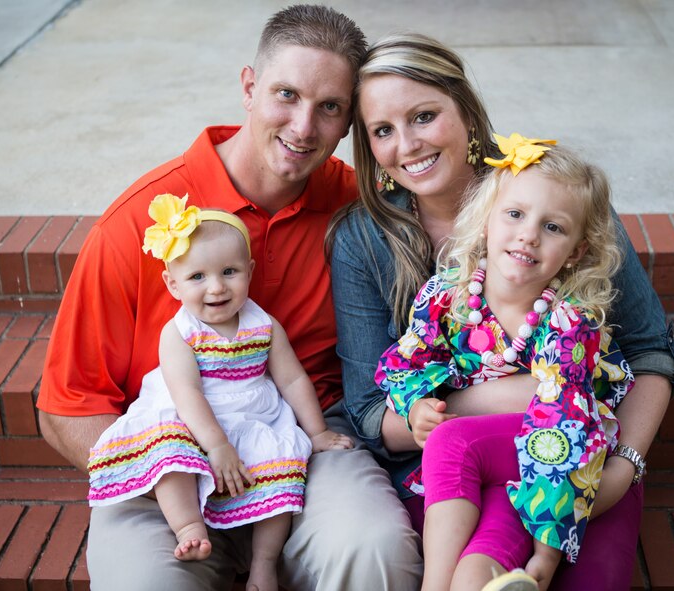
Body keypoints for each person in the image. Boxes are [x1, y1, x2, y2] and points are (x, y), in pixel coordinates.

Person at [37, 6, 423, 590]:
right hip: (169, 463)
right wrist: (171, 471)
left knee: (374, 550)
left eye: (329, 107)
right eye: (285, 94)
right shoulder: (141, 222)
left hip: (302, 449)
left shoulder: (358, 208)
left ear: (348, 123)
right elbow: (68, 406)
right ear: (248, 87)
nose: (302, 126)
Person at [327, 33, 674, 590]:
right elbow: (372, 410)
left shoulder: (558, 197)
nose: (408, 145)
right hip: (450, 467)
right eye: (382, 131)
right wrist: (490, 401)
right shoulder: (364, 241)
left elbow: (650, 349)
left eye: (423, 116)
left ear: (466, 111)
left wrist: (623, 466)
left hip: (579, 457)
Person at [376, 136, 634, 591]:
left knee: (454, 443)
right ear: (485, 224)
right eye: (514, 214)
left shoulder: (568, 322)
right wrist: (416, 404)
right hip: (491, 468)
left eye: (553, 227)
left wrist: (546, 554)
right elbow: (403, 362)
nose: (529, 235)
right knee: (477, 570)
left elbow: (561, 432)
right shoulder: (447, 298)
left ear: (575, 252)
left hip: (548, 460)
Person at [86, 195, 353, 590]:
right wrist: (216, 446)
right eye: (197, 277)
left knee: (282, 465)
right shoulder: (179, 333)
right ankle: (189, 527)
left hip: (251, 413)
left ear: (250, 270)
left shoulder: (263, 325)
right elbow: (187, 393)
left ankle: (264, 564)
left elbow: (293, 380)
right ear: (172, 284)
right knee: (169, 455)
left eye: (229, 271)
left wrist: (315, 433)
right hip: (191, 419)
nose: (216, 288)